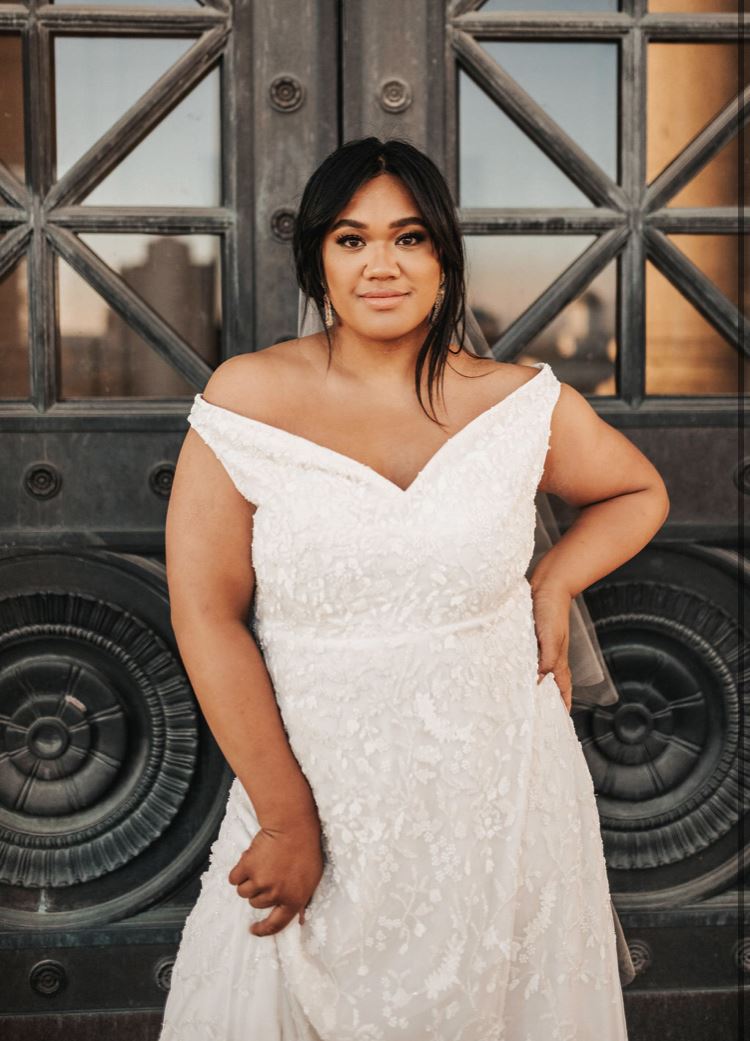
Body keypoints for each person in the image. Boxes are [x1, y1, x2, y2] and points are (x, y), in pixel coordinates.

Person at [160, 137, 668, 1040]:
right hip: (316, 789)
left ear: (444, 259)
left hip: (502, 796)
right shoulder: (249, 399)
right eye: (352, 240)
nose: (382, 264)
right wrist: (284, 822)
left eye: (410, 238)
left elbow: (639, 491)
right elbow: (206, 611)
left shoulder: (519, 404)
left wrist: (554, 579)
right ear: (318, 258)